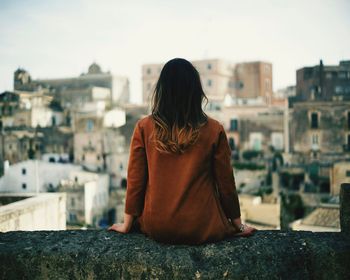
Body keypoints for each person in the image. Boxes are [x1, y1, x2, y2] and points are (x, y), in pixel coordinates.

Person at [108, 58, 256, 244]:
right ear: (196, 91)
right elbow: (225, 182)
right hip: (203, 226)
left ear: (162, 91)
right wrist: (238, 225)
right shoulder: (214, 129)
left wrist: (127, 224)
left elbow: (136, 181)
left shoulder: (144, 127)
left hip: (158, 226)